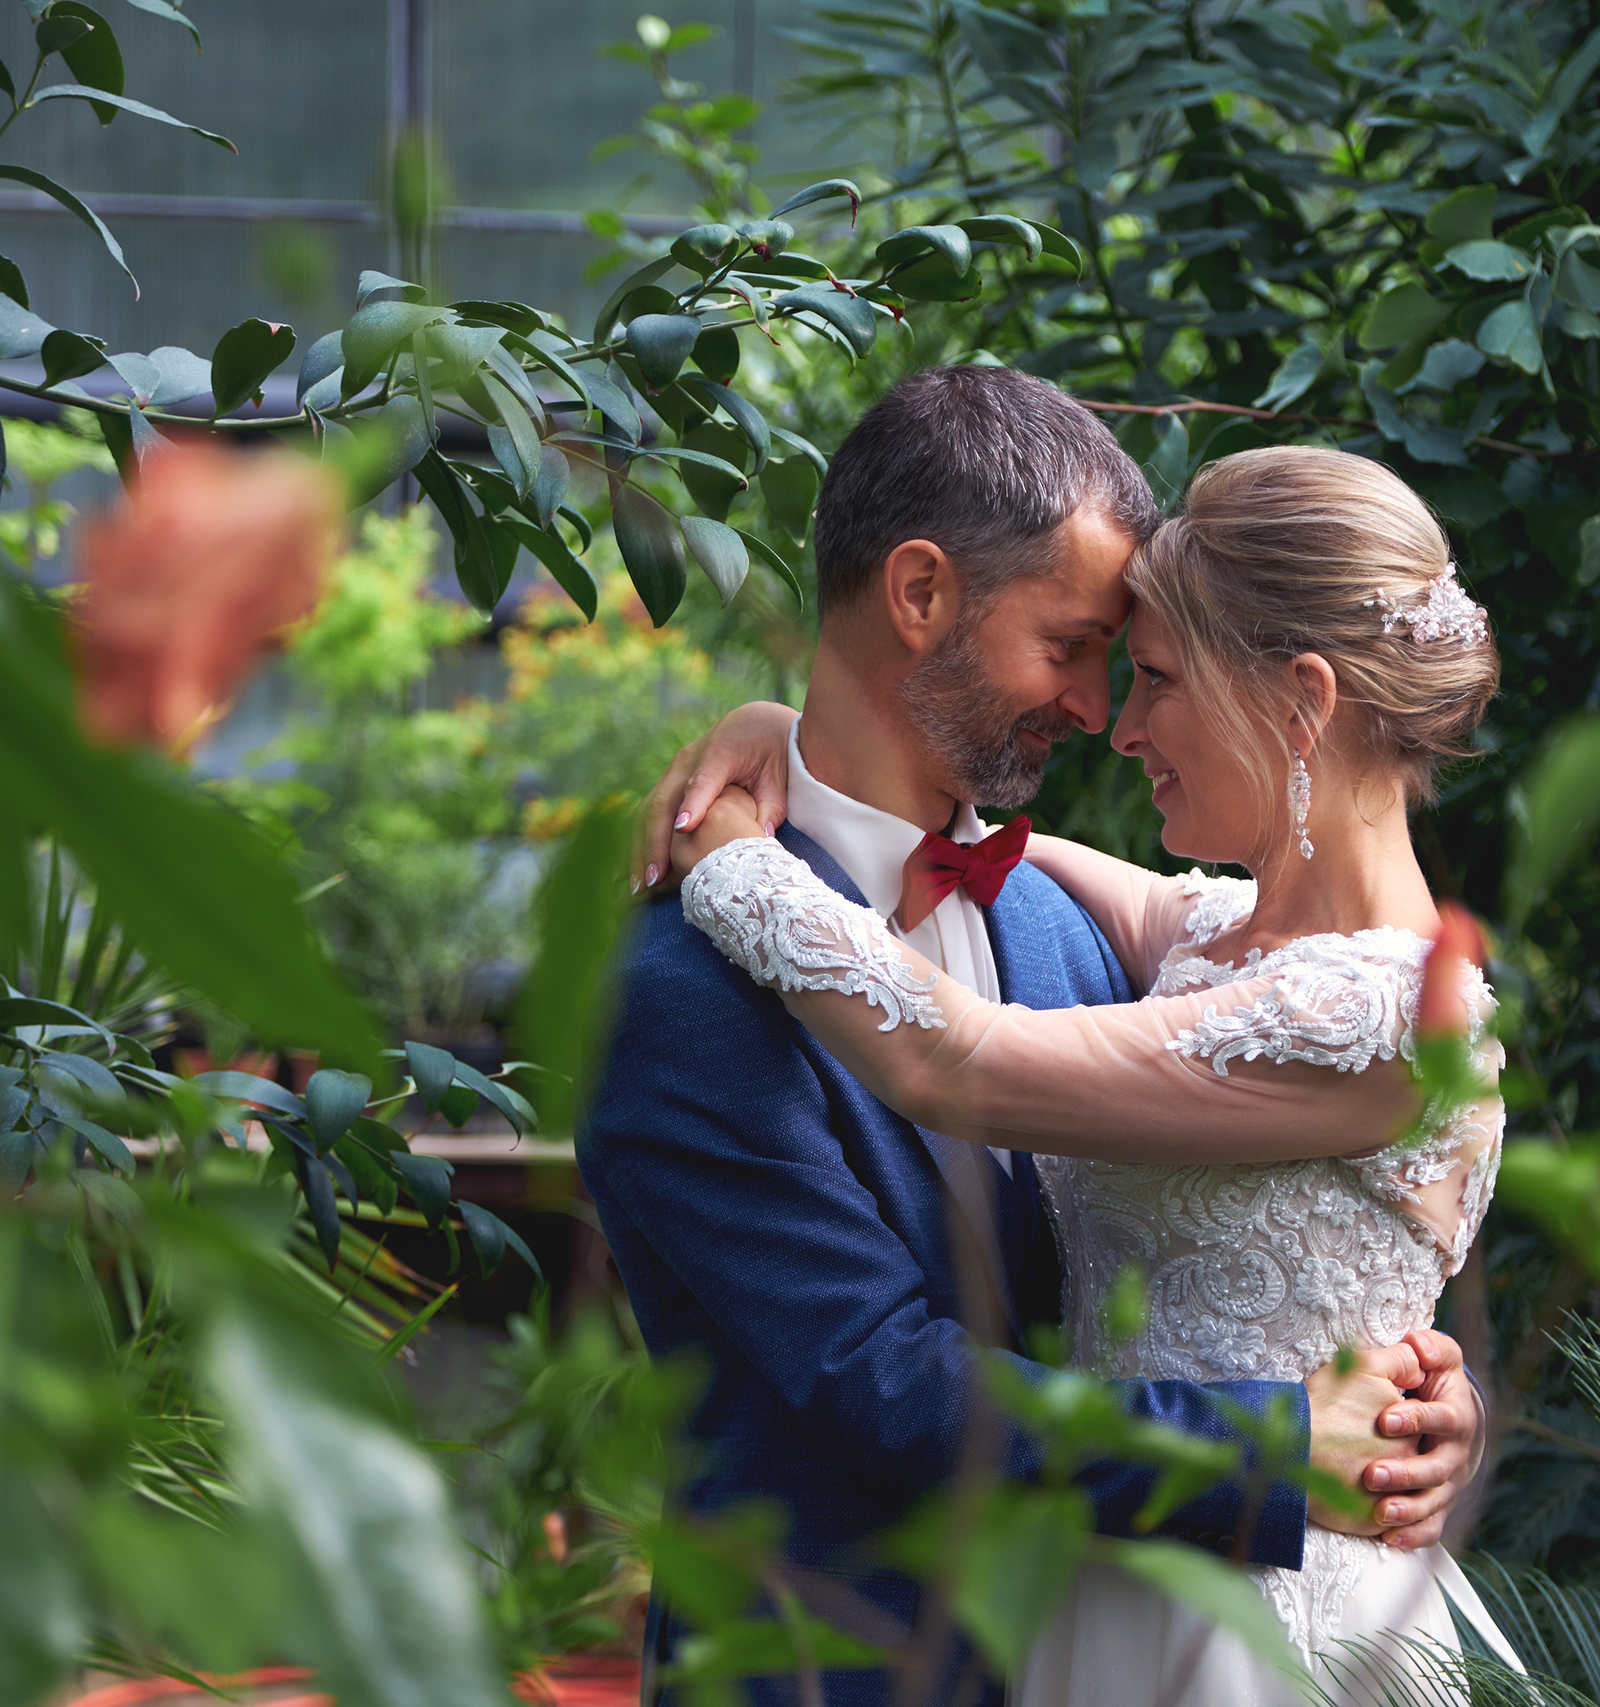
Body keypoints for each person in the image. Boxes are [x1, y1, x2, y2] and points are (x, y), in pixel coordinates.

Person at [582, 368, 1493, 1707]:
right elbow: (886, 1388)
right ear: (920, 594)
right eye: (1073, 646)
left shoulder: (1063, 933)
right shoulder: (681, 987)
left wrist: (1407, 1409)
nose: (1100, 712)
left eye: (1134, 668)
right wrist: (1283, 1441)